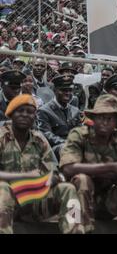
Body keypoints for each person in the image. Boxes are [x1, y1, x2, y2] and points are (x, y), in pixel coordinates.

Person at [59, 94, 117, 234]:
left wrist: (98, 171)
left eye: (109, 119)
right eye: (100, 117)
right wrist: (111, 168)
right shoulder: (79, 135)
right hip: (77, 204)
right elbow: (68, 168)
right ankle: (83, 231)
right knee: (82, 179)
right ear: (93, 119)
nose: (104, 122)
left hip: (107, 201)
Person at [0, 94, 84, 234]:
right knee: (2, 188)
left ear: (35, 117)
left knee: (67, 188)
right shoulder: (2, 138)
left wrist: (54, 178)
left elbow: (54, 170)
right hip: (5, 202)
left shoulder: (39, 140)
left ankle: (74, 231)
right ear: (11, 114)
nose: (25, 115)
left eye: (30, 112)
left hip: (32, 203)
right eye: (20, 111)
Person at [37, 75, 81, 160]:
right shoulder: (44, 111)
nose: (67, 93)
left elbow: (80, 131)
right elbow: (46, 134)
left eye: (70, 90)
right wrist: (66, 143)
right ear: (55, 90)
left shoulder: (75, 110)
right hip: (55, 149)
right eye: (63, 90)